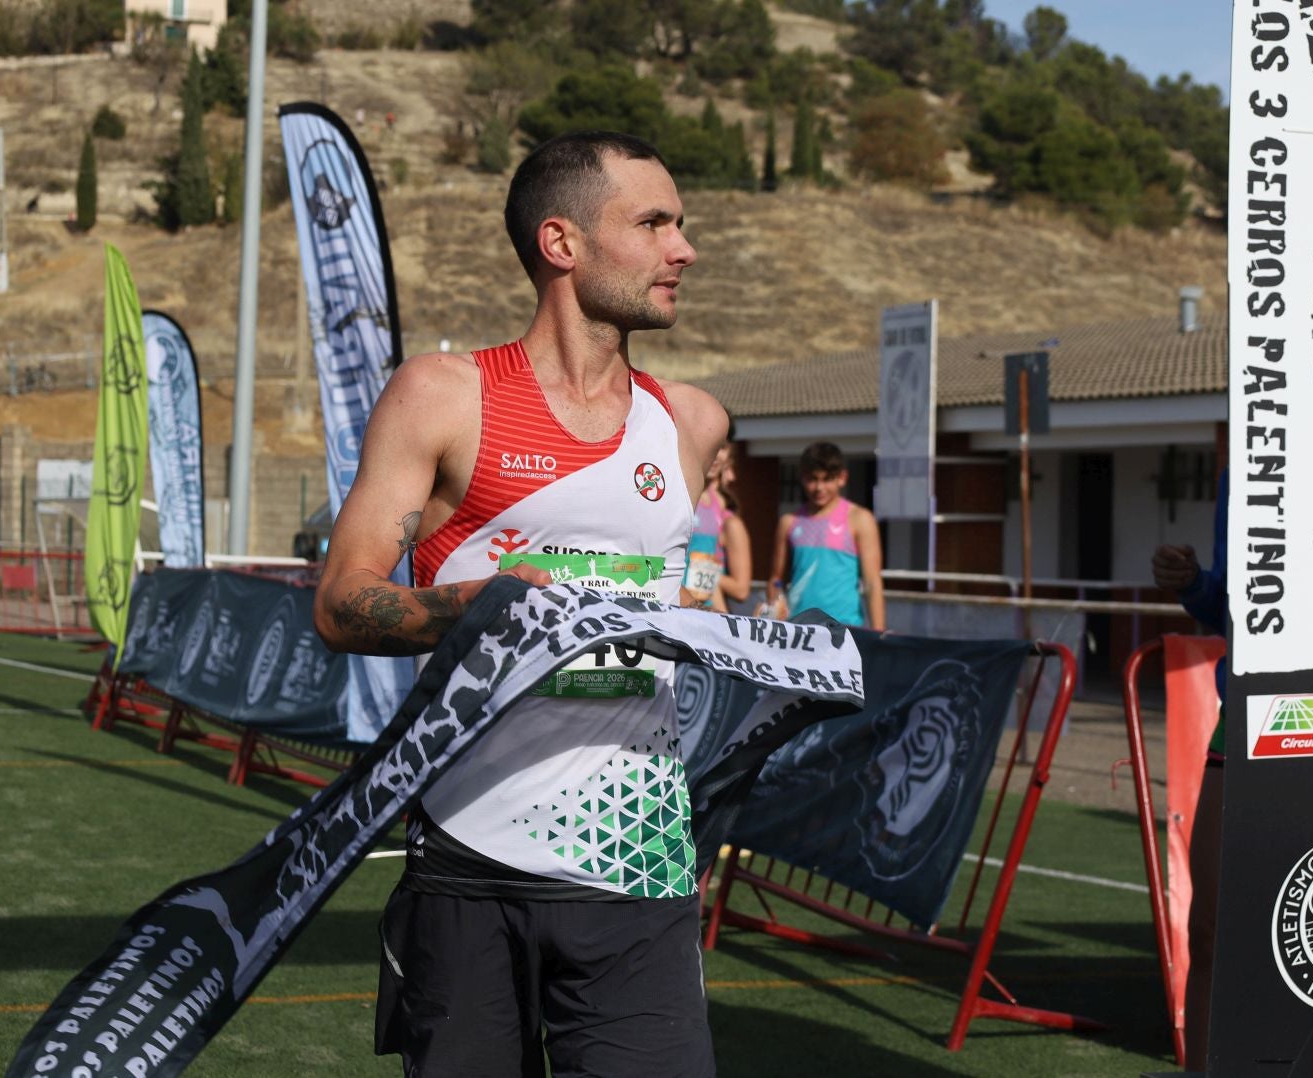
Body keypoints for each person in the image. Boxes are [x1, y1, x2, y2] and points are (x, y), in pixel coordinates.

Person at [313, 131, 727, 1077]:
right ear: (561, 242)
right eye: (653, 223)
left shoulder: (691, 423)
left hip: (637, 859)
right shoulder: (444, 396)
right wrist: (478, 606)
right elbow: (341, 604)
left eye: (680, 224)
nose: (684, 249)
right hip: (468, 857)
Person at [1151, 468, 1226, 1071]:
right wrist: (1195, 584)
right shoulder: (1250, 463)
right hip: (1254, 718)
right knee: (1210, 929)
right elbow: (1234, 610)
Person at [768, 441, 886, 630]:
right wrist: (775, 617)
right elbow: (776, 580)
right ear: (802, 478)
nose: (819, 487)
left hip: (845, 629)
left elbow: (872, 582)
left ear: (842, 478)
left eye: (827, 479)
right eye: (812, 479)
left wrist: (879, 634)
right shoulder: (788, 522)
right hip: (798, 630)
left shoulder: (860, 519)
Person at [681, 431, 752, 613]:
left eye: (722, 447)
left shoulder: (726, 517)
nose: (716, 453)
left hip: (703, 612)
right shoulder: (679, 493)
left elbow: (740, 589)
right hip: (672, 606)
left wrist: (703, 568)